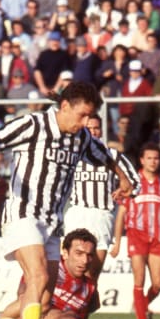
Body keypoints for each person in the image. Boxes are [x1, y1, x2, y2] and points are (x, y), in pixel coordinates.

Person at [0, 81, 135, 319]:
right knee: (36, 275)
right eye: (82, 115)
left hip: (51, 222)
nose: (86, 123)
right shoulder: (33, 125)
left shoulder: (82, 138)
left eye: (90, 117)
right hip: (22, 213)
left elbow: (104, 155)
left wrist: (122, 178)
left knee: (43, 298)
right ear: (64, 107)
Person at [110, 144, 160, 319]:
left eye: (156, 158)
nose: (153, 161)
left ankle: (142, 307)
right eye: (149, 158)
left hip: (157, 238)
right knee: (139, 280)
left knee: (158, 284)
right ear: (142, 160)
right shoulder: (132, 184)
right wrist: (117, 242)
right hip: (136, 235)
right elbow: (121, 215)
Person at [64, 113, 138, 282]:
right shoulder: (72, 154)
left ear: (101, 131)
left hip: (101, 214)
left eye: (96, 128)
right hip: (77, 212)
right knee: (70, 271)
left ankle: (84, 306)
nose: (93, 132)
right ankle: (65, 307)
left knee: (91, 275)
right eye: (89, 128)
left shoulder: (113, 155)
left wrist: (124, 190)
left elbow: (135, 183)